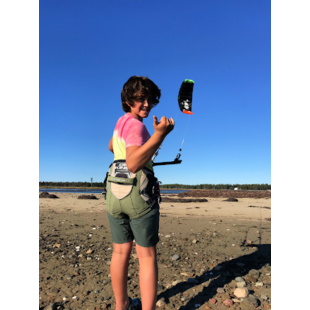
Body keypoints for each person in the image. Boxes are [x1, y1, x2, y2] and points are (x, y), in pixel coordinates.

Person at [106, 76, 175, 310]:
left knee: (120, 252)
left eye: (150, 99)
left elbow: (111, 147)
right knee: (146, 256)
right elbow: (134, 163)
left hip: (114, 195)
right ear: (128, 100)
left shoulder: (121, 122)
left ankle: (121, 305)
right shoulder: (137, 125)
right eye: (140, 99)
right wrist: (159, 135)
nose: (146, 104)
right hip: (137, 195)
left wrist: (146, 141)